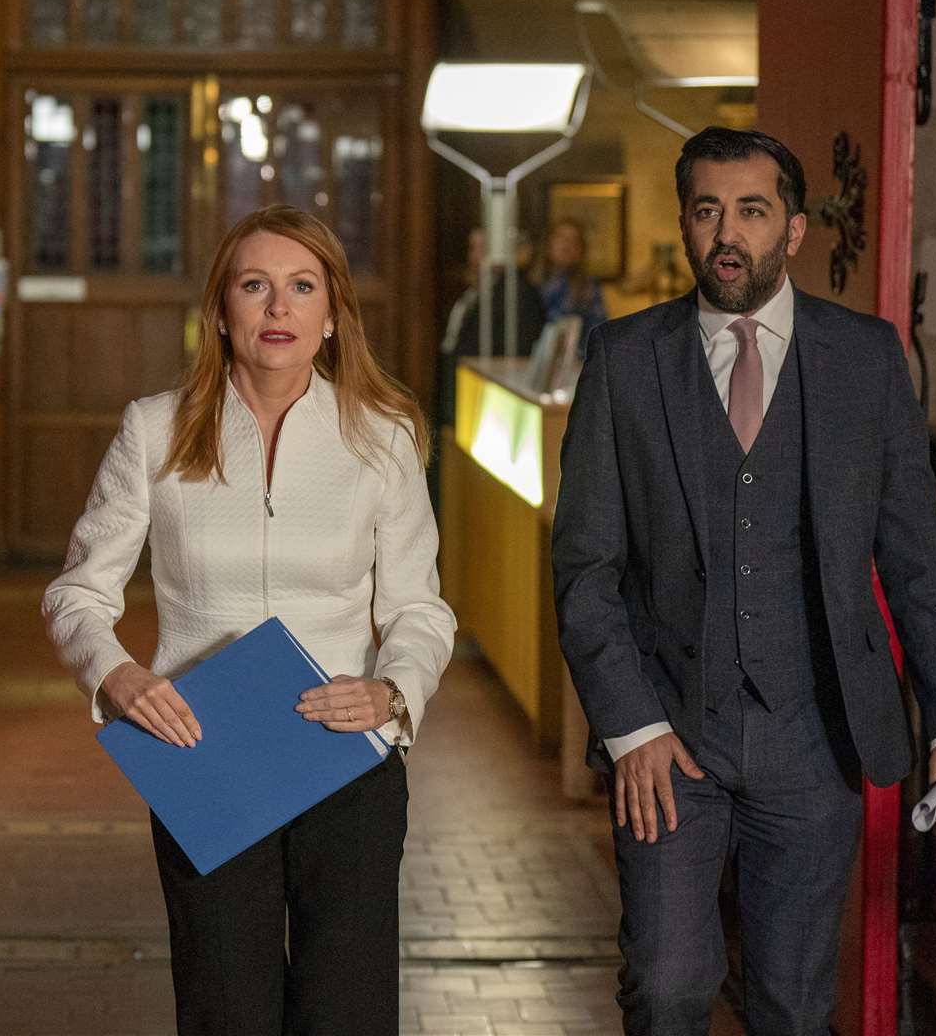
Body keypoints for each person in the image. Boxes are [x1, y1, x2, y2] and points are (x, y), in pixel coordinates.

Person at [550, 128, 936, 1035]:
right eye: (707, 210)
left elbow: (912, 558)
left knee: (791, 1004)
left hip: (814, 735)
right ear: (684, 224)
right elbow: (585, 567)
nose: (727, 232)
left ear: (791, 230)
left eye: (750, 211)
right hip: (667, 734)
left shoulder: (866, 359)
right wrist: (630, 726)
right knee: (665, 986)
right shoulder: (624, 360)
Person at [44, 205, 455, 1035]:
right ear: (221, 311)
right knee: (224, 1010)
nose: (278, 309)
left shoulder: (383, 436)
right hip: (204, 757)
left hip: (347, 758)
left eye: (302, 287)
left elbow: (418, 607)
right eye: (255, 286)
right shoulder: (153, 430)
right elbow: (77, 594)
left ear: (332, 315)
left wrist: (392, 693)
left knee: (346, 1011)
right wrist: (116, 675)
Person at [435, 227, 547, 427]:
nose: (475, 257)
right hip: (461, 385)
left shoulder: (518, 292)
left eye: (483, 249)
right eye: (473, 249)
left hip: (490, 398)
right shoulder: (477, 289)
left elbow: (519, 350)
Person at [537, 218, 609, 352]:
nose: (567, 245)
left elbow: (599, 332)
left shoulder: (588, 287)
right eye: (561, 238)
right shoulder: (533, 284)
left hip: (575, 361)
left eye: (574, 240)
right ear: (548, 244)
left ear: (581, 250)